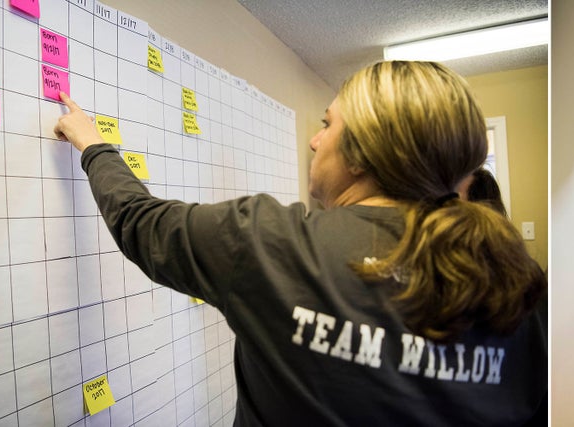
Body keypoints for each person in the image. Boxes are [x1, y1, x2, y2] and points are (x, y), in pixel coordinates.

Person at [54, 61, 546, 426]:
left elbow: (142, 223)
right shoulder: (520, 279)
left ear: (362, 154)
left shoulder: (270, 243)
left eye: (328, 123)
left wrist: (93, 145)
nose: (314, 140)